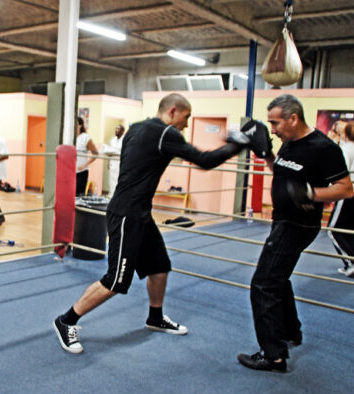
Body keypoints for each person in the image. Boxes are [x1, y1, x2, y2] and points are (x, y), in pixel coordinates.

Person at [53, 93, 261, 354]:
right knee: (116, 280)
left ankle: (155, 317)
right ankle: (66, 321)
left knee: (159, 266)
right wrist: (238, 144)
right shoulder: (165, 133)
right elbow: (205, 161)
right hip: (127, 214)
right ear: (172, 111)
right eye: (186, 117)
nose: (186, 124)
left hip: (139, 212)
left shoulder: (136, 128)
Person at [237, 94, 353, 372]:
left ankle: (273, 355)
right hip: (282, 221)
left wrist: (312, 193)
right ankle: (290, 332)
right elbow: (281, 171)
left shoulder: (324, 148)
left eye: (275, 123)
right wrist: (266, 153)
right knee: (278, 278)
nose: (273, 129)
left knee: (263, 284)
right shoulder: (289, 143)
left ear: (293, 118)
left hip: (297, 225)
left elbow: (346, 188)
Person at [328, 121, 354, 277]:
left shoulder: (346, 149)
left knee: (334, 230)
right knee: (349, 230)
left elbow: (340, 173)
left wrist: (331, 191)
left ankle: (351, 263)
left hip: (348, 193)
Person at [75, 117, 99, 196]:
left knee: (78, 195)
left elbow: (95, 154)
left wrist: (84, 165)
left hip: (81, 172)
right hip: (70, 171)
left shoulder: (85, 137)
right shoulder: (69, 137)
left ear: (80, 125)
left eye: (75, 123)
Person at [102, 124, 125, 198]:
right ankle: (111, 194)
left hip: (119, 161)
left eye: (118, 129)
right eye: (116, 129)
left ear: (122, 131)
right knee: (111, 179)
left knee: (118, 179)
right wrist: (108, 161)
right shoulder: (113, 140)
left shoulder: (124, 140)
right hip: (112, 161)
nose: (116, 130)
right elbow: (110, 151)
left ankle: (117, 196)